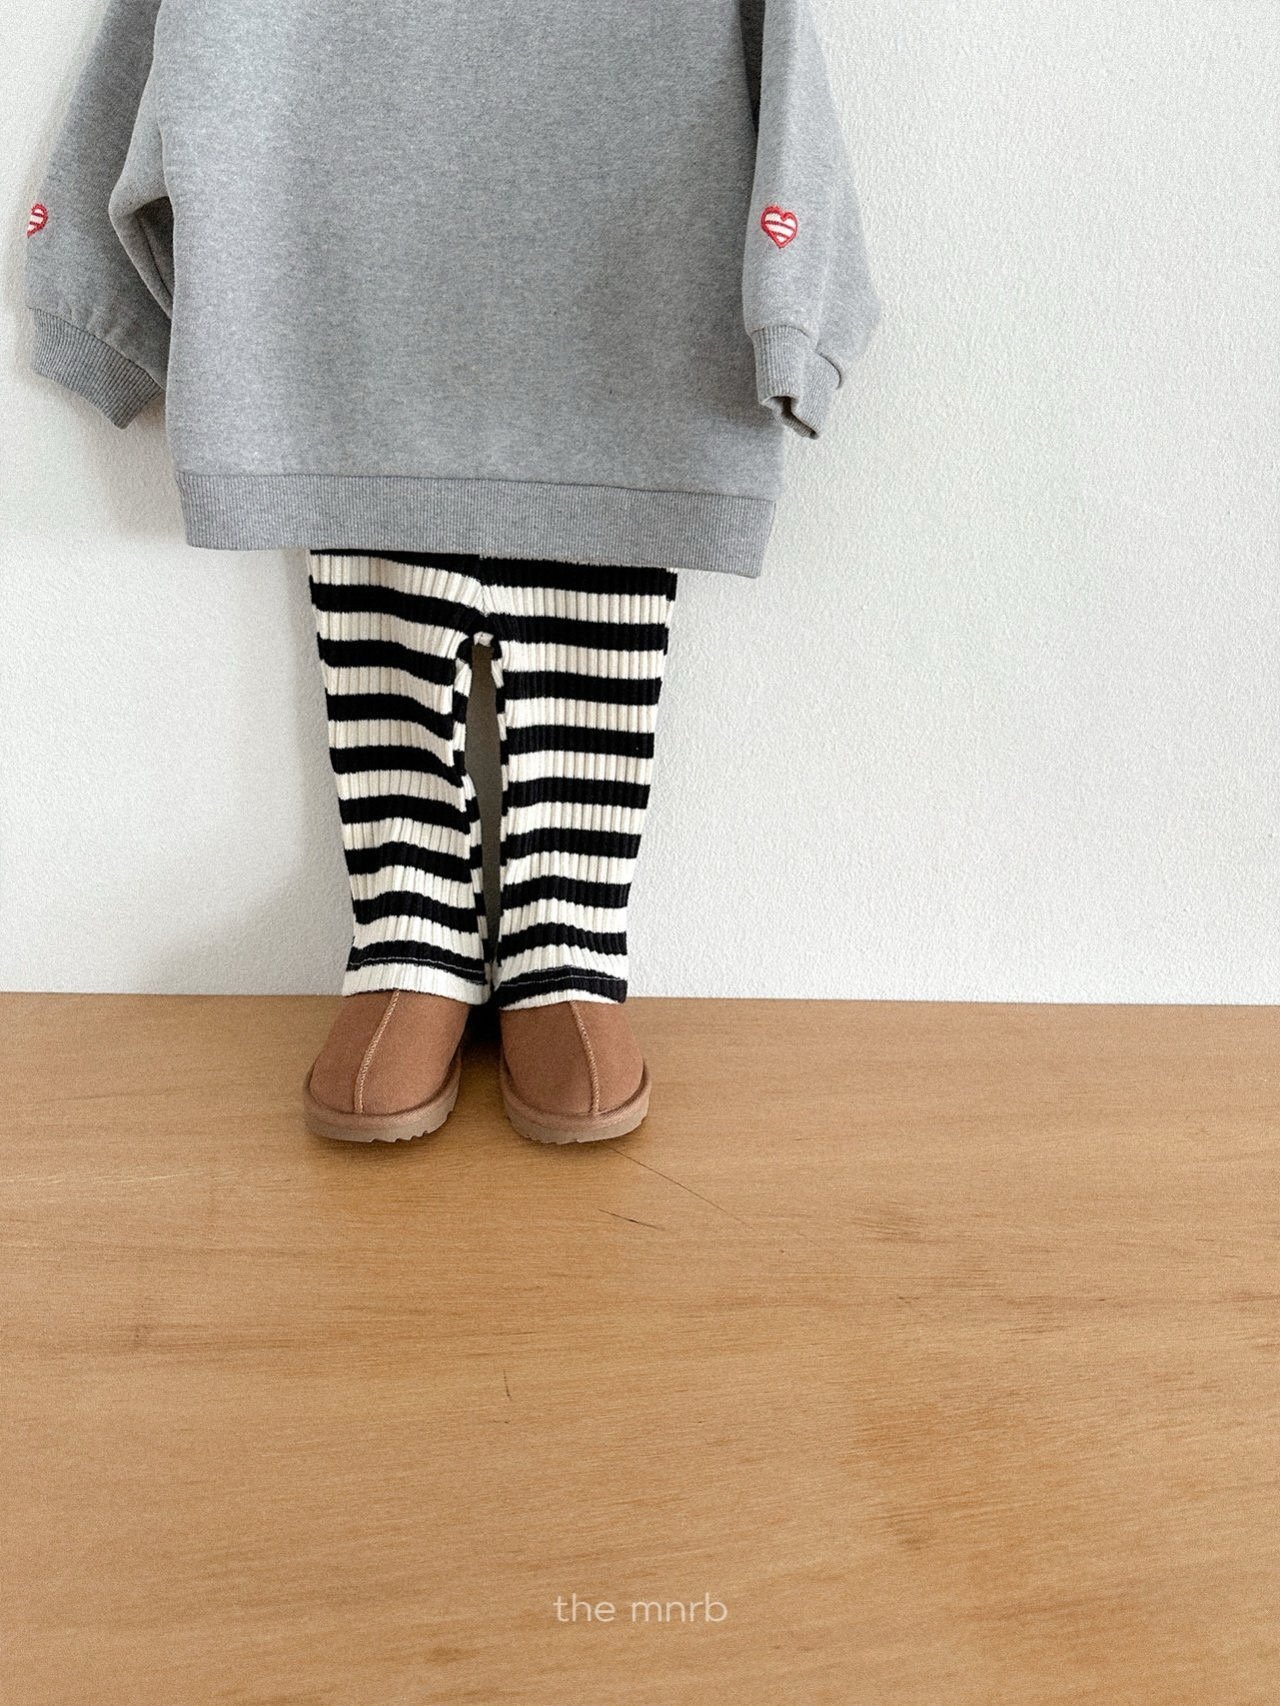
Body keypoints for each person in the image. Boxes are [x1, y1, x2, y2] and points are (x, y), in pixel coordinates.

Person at [22, 0, 881, 1144]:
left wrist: (795, 319)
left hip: (609, 391)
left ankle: (563, 938)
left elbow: (789, 91)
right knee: (381, 629)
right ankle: (411, 927)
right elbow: (145, 64)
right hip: (351, 378)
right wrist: (92, 304)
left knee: (588, 620)